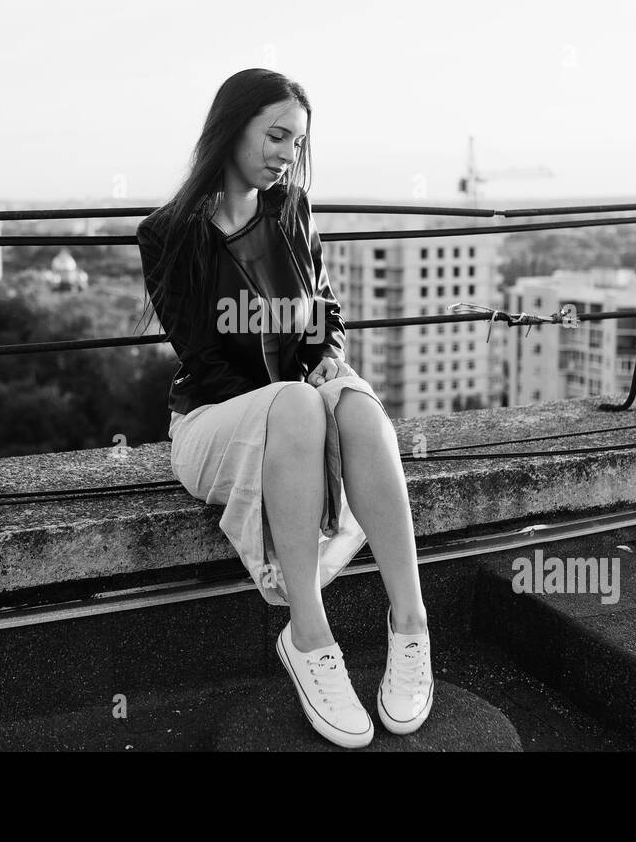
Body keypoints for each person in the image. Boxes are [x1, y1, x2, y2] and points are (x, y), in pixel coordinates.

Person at [134, 68, 432, 749]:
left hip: (297, 403)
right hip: (214, 421)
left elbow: (326, 311)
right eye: (276, 136)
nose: (286, 155)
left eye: (296, 143)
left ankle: (411, 624)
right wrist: (300, 397)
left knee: (356, 404)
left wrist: (328, 355)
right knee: (304, 403)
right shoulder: (170, 232)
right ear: (230, 127)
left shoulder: (291, 208)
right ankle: (310, 635)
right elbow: (206, 362)